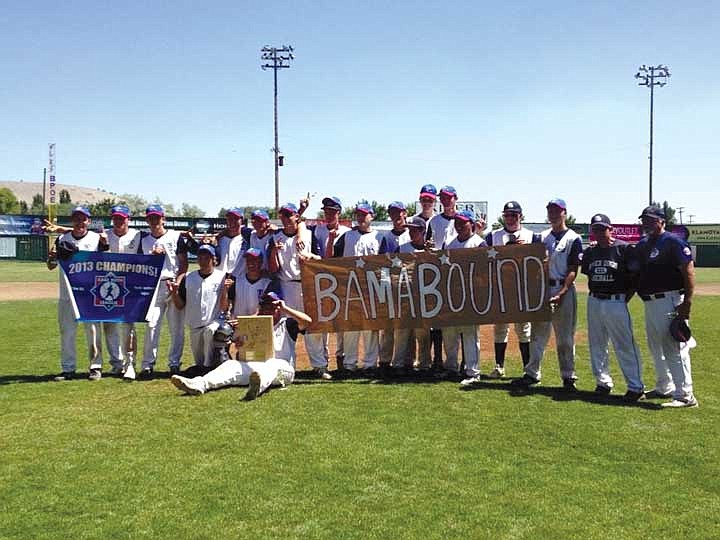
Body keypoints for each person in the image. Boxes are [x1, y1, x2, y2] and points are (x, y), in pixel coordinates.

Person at [169, 291, 311, 400]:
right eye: (265, 305)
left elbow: (308, 322)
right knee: (231, 365)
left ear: (278, 309)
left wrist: (285, 308)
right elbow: (241, 356)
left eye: (272, 306)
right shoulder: (252, 325)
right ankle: (199, 384)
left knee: (272, 364)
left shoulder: (287, 324)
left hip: (283, 369)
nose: (268, 309)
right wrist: (240, 346)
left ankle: (257, 387)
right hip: (256, 367)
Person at [632, 205, 698, 408]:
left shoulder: (672, 242)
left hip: (670, 299)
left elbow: (688, 272)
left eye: (651, 219)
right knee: (656, 346)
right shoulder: (643, 244)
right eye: (644, 219)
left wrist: (687, 303)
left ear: (662, 221)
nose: (646, 223)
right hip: (651, 303)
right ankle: (665, 386)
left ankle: (686, 395)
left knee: (674, 347)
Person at [513, 198, 582, 390]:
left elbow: (573, 269)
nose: (553, 214)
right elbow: (532, 263)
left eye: (557, 210)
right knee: (537, 335)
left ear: (564, 213)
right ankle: (532, 373)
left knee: (565, 337)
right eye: (550, 210)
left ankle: (568, 376)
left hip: (564, 290)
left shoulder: (573, 238)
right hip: (543, 290)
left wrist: (562, 292)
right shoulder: (541, 237)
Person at [581, 213, 645, 402]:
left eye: (603, 229)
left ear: (611, 229)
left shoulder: (624, 249)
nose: (599, 232)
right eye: (595, 229)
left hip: (616, 301)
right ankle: (603, 382)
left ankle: (635, 386)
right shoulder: (590, 252)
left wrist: (625, 298)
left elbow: (635, 278)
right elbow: (588, 274)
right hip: (594, 300)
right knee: (597, 344)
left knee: (624, 344)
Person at [47, 206, 104, 381]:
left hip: (90, 294)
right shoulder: (62, 238)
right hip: (67, 293)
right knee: (67, 332)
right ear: (73, 221)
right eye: (76, 219)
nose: (80, 222)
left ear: (88, 221)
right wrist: (51, 257)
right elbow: (51, 266)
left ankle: (95, 367)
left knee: (93, 331)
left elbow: (105, 263)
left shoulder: (96, 239)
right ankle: (68, 369)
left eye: (83, 219)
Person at [484, 201, 540, 378]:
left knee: (524, 330)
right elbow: (483, 260)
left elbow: (539, 264)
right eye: (507, 215)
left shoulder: (531, 236)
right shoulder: (493, 236)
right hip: (501, 288)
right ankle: (499, 366)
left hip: (522, 290)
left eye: (513, 215)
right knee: (500, 328)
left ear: (520, 216)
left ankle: (527, 368)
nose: (510, 218)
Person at [333, 202, 386, 374]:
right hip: (350, 288)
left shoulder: (379, 237)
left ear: (372, 216)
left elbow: (385, 263)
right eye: (359, 214)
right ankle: (349, 364)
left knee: (371, 328)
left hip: (371, 287)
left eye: (365, 214)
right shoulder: (347, 236)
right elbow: (335, 260)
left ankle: (370, 364)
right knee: (351, 328)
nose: (361, 217)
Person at [138, 204, 190, 378]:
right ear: (147, 220)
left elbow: (183, 264)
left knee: (176, 328)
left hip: (173, 283)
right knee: (152, 325)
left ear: (163, 218)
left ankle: (174, 363)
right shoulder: (143, 240)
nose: (154, 221)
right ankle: (147, 365)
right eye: (151, 218)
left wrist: (178, 282)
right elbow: (139, 265)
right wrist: (150, 258)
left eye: (157, 217)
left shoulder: (175, 236)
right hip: (154, 286)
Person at [307, 196, 351, 378]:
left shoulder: (347, 231)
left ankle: (342, 359)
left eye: (332, 211)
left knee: (343, 323)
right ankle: (322, 363)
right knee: (323, 321)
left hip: (341, 282)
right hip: (322, 283)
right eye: (326, 211)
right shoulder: (317, 230)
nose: (329, 214)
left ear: (339, 212)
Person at [441, 210, 486, 386]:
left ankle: (473, 372)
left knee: (470, 334)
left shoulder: (479, 243)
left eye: (463, 222)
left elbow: (484, 272)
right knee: (449, 334)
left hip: (471, 296)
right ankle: (451, 367)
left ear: (472, 224)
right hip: (452, 294)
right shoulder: (449, 243)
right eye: (457, 222)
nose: (459, 225)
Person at [169, 244, 230, 369]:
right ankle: (204, 368)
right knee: (199, 362)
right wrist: (174, 292)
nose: (203, 261)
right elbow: (180, 305)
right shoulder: (188, 278)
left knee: (209, 332)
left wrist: (225, 290)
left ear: (214, 259)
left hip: (214, 322)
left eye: (207, 258)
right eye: (201, 258)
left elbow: (224, 307)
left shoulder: (222, 277)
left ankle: (209, 367)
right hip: (194, 324)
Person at [101, 205, 142, 380]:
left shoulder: (138, 235)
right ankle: (116, 363)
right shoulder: (104, 236)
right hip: (107, 284)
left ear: (128, 219)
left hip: (130, 287)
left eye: (122, 218)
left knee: (128, 326)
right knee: (109, 325)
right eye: (116, 218)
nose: (118, 221)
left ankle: (130, 364)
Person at [393, 215, 433, 373]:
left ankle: (424, 364)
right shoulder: (402, 248)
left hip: (423, 298)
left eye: (415, 230)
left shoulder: (430, 250)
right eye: (410, 229)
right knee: (402, 333)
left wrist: (431, 254)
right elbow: (391, 270)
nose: (411, 233)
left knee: (422, 334)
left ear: (423, 231)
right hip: (404, 297)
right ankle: (400, 364)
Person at [378, 201, 411, 375]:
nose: (396, 216)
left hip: (408, 288)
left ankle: (406, 362)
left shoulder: (411, 235)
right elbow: (382, 263)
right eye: (393, 213)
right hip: (391, 286)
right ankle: (384, 361)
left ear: (405, 213)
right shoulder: (386, 237)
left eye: (399, 212)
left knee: (406, 329)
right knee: (388, 327)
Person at [230, 248, 273, 317]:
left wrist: (251, 319)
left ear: (261, 262)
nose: (251, 263)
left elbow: (267, 308)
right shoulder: (237, 281)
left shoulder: (267, 284)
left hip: (258, 323)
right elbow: (227, 305)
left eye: (254, 260)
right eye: (248, 260)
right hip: (237, 322)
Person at [216, 207, 246, 275]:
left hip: (239, 280)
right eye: (229, 219)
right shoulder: (219, 239)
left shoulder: (248, 239)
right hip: (219, 280)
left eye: (235, 218)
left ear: (242, 221)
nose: (232, 221)